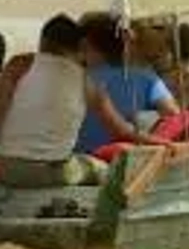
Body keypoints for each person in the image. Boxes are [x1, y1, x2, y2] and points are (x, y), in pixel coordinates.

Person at [0, 14, 147, 188]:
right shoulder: (87, 81)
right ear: (79, 47)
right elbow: (122, 132)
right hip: (53, 173)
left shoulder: (19, 64)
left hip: (5, 169)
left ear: (42, 41)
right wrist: (168, 143)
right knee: (100, 169)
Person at [73, 12, 180, 157]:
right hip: (123, 161)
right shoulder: (148, 78)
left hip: (81, 160)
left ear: (85, 44)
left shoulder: (77, 79)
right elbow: (174, 116)